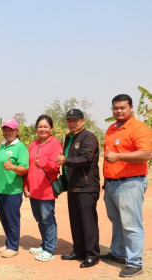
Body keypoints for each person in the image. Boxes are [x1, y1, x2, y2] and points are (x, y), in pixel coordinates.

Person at [101, 94, 152, 278]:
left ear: (131, 108)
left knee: (131, 224)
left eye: (122, 107)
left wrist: (119, 157)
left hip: (130, 183)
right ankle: (119, 253)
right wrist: (106, 181)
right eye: (115, 108)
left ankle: (135, 263)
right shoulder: (111, 128)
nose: (119, 111)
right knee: (117, 221)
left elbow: (146, 153)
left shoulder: (139, 128)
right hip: (112, 183)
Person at [57, 109, 100, 268]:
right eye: (69, 120)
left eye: (75, 120)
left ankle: (92, 255)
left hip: (86, 186)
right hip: (73, 186)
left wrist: (66, 160)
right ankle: (79, 251)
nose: (72, 123)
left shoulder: (88, 137)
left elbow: (86, 158)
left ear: (83, 121)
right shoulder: (69, 137)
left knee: (88, 222)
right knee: (75, 221)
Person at [24, 115, 62, 261]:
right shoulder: (33, 145)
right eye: (40, 126)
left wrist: (44, 163)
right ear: (36, 128)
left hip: (46, 190)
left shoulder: (55, 144)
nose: (43, 129)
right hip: (33, 189)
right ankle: (44, 244)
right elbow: (28, 167)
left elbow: (56, 165)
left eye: (46, 126)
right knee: (39, 219)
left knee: (48, 219)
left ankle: (50, 250)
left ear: (51, 128)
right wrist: (26, 185)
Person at [0, 119, 28, 258]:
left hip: (12, 190)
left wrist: (14, 167)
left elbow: (24, 169)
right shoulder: (2, 146)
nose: (7, 132)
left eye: (11, 130)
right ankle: (9, 242)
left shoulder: (20, 148)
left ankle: (13, 246)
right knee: (4, 218)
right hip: (0, 189)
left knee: (12, 219)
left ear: (16, 131)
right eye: (5, 130)